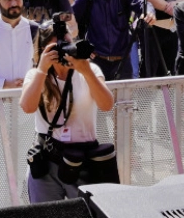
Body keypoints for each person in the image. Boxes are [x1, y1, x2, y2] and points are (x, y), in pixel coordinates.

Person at [18, 15, 117, 203]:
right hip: (47, 159)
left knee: (85, 212)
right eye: (56, 48)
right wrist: (42, 69)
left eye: (67, 45)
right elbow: (27, 107)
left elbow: (106, 105)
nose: (63, 51)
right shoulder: (36, 75)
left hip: (81, 159)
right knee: (44, 214)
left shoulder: (90, 71)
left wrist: (86, 71)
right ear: (43, 50)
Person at [71, 0, 145, 81]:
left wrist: (148, 13)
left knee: (124, 94)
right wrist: (79, 44)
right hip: (96, 63)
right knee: (96, 94)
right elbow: (69, 21)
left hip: (123, 62)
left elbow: (143, 4)